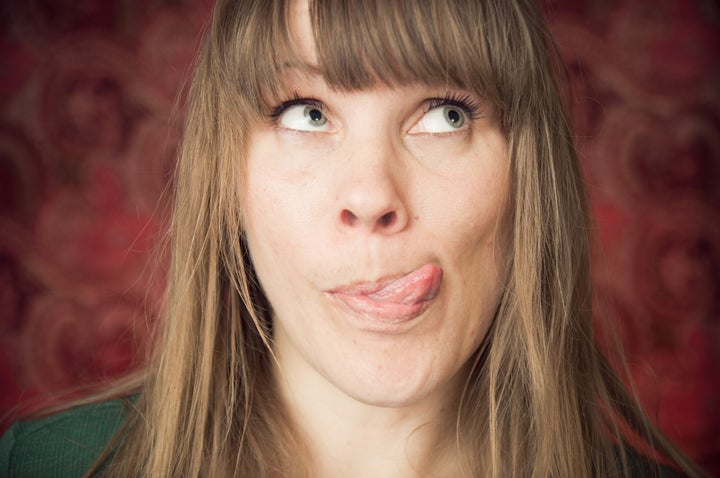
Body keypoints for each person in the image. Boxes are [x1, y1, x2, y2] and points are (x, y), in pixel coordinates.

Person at [0, 0, 709, 476]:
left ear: (532, 180)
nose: (371, 196)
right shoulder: (43, 465)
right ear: (228, 178)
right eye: (307, 113)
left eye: (446, 116)